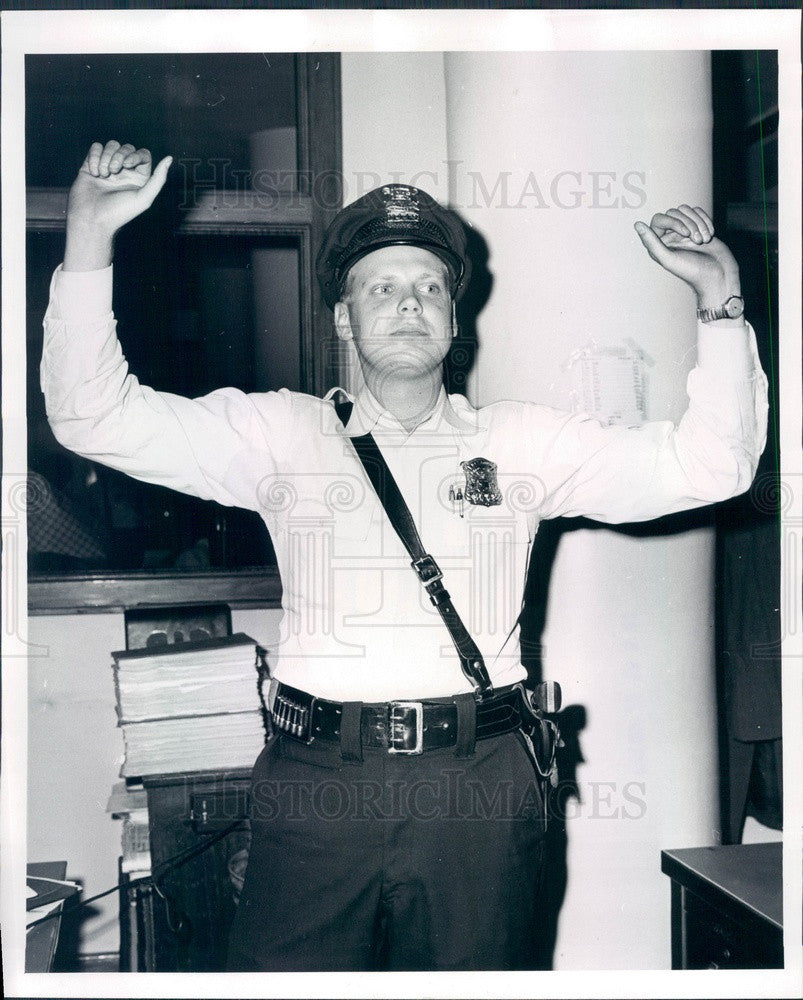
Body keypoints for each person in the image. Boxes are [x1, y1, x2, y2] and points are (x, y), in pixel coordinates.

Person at [42, 140, 767, 971]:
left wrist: (719, 301)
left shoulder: (520, 441)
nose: (408, 304)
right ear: (344, 318)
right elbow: (91, 417)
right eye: (380, 287)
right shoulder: (281, 433)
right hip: (316, 784)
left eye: (428, 287)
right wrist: (89, 239)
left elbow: (711, 466)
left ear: (454, 320)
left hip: (479, 785)